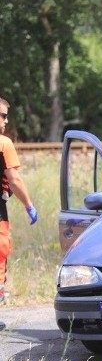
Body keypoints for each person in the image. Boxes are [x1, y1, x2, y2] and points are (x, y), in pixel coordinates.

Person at [0, 97, 38, 330]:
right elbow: (14, 179)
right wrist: (29, 205)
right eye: (2, 115)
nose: (6, 120)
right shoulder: (4, 144)